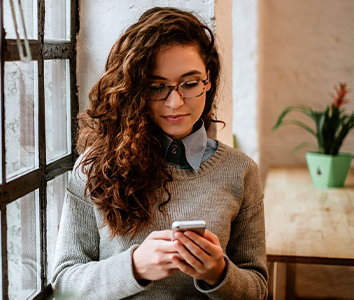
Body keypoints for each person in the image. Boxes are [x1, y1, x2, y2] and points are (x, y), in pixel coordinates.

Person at [51, 7, 267, 300]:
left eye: (190, 83)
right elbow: (65, 283)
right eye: (156, 87)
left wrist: (219, 273)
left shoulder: (241, 172)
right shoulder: (93, 168)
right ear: (134, 88)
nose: (175, 102)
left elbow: (258, 290)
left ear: (208, 82)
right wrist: (135, 267)